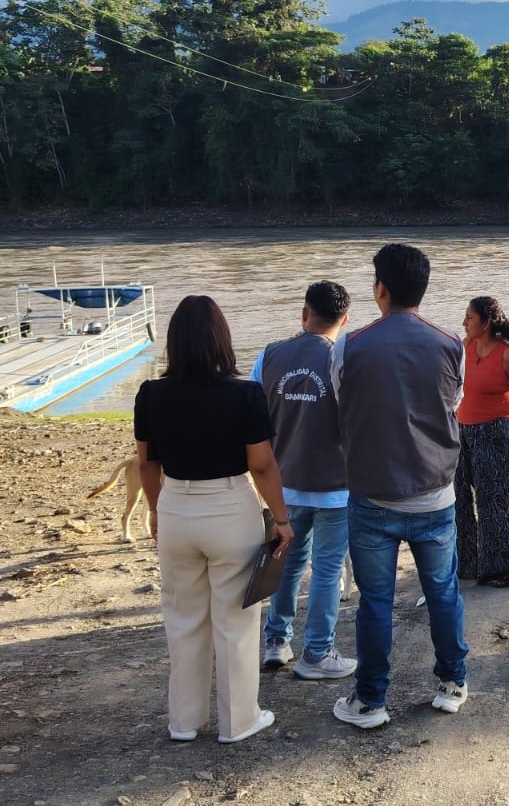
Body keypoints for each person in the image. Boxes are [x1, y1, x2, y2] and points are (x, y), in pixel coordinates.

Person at [134, 295, 291, 744]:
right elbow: (261, 466)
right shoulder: (244, 394)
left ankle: (184, 722)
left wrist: (154, 508)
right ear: (223, 340)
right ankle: (238, 721)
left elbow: (148, 464)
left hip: (176, 506)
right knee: (236, 621)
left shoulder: (151, 393)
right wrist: (281, 518)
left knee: (182, 619)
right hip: (229, 506)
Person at [329, 244, 469, 730]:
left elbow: (340, 402)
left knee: (375, 601)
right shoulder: (452, 343)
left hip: (372, 495)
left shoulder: (349, 345)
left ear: (380, 289)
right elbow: (452, 403)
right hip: (435, 492)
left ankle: (371, 700)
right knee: (443, 593)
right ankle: (452, 683)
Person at [252, 280, 356, 679]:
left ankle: (276, 641)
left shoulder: (270, 354)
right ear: (344, 320)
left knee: (287, 563)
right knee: (328, 568)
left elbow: (251, 413)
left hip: (283, 481)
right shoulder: (344, 358)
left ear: (303, 314)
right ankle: (317, 652)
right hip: (335, 484)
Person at [455, 296, 509, 588]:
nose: (464, 323)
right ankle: (467, 564)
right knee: (460, 499)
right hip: (462, 431)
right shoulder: (465, 347)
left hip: (496, 433)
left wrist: (497, 409)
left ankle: (504, 571)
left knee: (498, 503)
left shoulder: (507, 355)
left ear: (486, 323)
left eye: (469, 318)